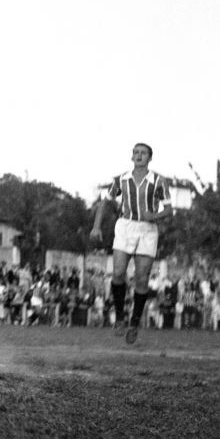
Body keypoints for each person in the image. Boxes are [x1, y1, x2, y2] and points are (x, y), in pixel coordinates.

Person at [90, 142, 173, 344]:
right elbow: (105, 202)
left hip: (147, 229)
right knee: (118, 273)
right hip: (125, 226)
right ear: (132, 156)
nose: (139, 155)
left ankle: (134, 323)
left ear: (150, 158)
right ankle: (119, 317)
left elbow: (169, 209)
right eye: (136, 152)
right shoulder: (121, 180)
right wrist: (96, 226)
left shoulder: (159, 181)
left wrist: (154, 215)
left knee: (141, 278)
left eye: (143, 153)